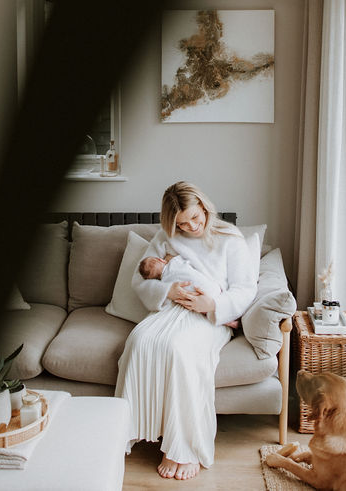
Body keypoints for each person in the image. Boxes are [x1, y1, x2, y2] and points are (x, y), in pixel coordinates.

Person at [115, 181, 257, 480]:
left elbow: (245, 289)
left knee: (179, 350)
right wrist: (168, 291)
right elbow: (140, 280)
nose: (192, 227)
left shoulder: (230, 238)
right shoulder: (166, 237)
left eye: (196, 217)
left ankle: (182, 448)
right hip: (170, 310)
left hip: (210, 316)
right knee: (140, 340)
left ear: (205, 207)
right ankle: (138, 429)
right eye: (182, 223)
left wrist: (212, 304)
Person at [138, 254, 241, 329]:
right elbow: (186, 260)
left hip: (201, 299)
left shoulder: (166, 282)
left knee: (204, 311)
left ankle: (229, 322)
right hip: (212, 286)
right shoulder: (175, 261)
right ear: (160, 260)